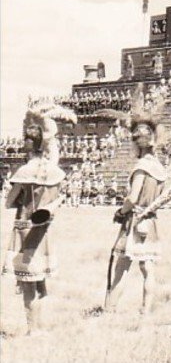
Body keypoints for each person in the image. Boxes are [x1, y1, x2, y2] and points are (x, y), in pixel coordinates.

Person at [3, 101, 76, 335]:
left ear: (28, 144)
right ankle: (40, 327)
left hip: (25, 229)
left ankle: (32, 331)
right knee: (38, 281)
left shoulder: (24, 171)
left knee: (27, 285)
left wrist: (15, 194)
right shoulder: (54, 170)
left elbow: (8, 202)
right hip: (43, 230)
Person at [105, 113, 169, 314]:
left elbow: (132, 198)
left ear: (137, 143)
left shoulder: (142, 167)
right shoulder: (159, 168)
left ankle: (110, 309)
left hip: (135, 220)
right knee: (148, 268)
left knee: (121, 267)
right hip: (151, 222)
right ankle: (146, 311)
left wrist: (120, 212)